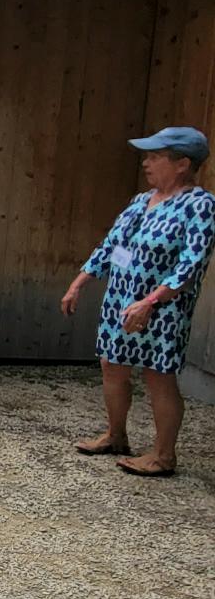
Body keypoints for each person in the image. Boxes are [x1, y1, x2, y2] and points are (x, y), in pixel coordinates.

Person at [61, 125, 214, 477]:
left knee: (158, 376)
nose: (146, 163)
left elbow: (191, 264)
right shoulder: (139, 201)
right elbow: (112, 247)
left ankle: (163, 455)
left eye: (155, 156)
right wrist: (79, 282)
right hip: (120, 300)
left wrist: (151, 301)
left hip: (162, 307)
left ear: (182, 164)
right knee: (111, 365)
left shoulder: (200, 206)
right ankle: (115, 436)